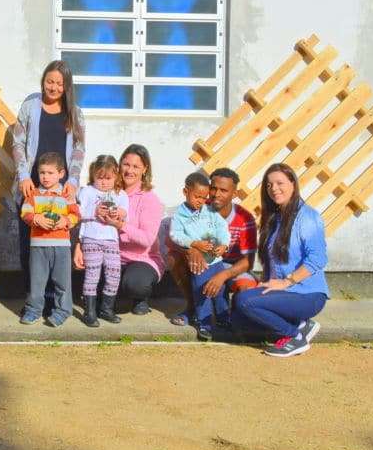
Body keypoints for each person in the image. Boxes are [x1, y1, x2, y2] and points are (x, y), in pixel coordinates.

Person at [233, 163, 329, 358]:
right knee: (238, 318)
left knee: (245, 302)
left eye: (280, 183)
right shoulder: (276, 218)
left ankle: (294, 335)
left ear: (293, 183)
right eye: (269, 185)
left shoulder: (308, 216)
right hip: (285, 291)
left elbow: (318, 258)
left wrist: (287, 281)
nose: (274, 189)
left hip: (307, 294)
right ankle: (302, 324)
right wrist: (264, 282)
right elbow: (276, 262)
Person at [11, 60, 86, 309]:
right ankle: (33, 300)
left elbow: (78, 149)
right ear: (43, 80)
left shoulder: (74, 112)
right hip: (32, 186)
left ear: (66, 87)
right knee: (30, 247)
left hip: (60, 191)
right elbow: (18, 143)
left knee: (57, 247)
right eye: (49, 81)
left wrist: (72, 181)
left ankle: (56, 301)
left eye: (59, 83)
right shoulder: (30, 106)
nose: (53, 87)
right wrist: (23, 175)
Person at [165, 167, 257, 327]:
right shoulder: (198, 205)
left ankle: (228, 316)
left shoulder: (245, 218)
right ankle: (193, 308)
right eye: (213, 188)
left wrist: (223, 275)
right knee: (174, 258)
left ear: (234, 194)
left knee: (246, 290)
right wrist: (191, 249)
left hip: (231, 267)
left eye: (223, 190)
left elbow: (248, 261)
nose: (216, 194)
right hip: (204, 262)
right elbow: (173, 237)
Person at [102, 144, 165, 315]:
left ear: (145, 169)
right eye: (126, 164)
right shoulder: (108, 191)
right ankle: (115, 296)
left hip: (141, 259)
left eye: (136, 166)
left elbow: (147, 240)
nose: (130, 170)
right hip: (111, 256)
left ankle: (140, 297)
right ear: (119, 165)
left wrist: (120, 225)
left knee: (134, 284)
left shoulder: (149, 199)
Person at [19, 153, 80, 328]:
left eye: (50, 173)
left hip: (61, 246)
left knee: (62, 282)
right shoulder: (33, 194)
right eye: (42, 173)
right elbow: (25, 213)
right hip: (38, 245)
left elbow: (76, 214)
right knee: (37, 281)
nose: (45, 177)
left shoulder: (67, 194)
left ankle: (63, 310)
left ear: (61, 174)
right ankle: (33, 310)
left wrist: (65, 221)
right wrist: (36, 219)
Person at [169, 172, 231, 341]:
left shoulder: (210, 211)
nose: (201, 201)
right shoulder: (179, 215)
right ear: (185, 192)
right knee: (201, 291)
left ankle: (224, 319)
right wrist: (194, 243)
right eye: (197, 197)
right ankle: (204, 324)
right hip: (200, 264)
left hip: (216, 261)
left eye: (204, 198)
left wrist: (223, 244)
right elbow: (175, 235)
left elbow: (222, 228)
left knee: (220, 291)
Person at [75, 155, 129, 327]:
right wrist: (95, 211)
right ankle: (89, 311)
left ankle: (106, 309)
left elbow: (124, 212)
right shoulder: (87, 191)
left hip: (111, 239)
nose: (104, 182)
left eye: (108, 178)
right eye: (100, 178)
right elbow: (79, 212)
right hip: (91, 238)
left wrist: (117, 213)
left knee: (114, 273)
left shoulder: (119, 194)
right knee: (92, 274)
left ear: (116, 177)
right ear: (93, 176)